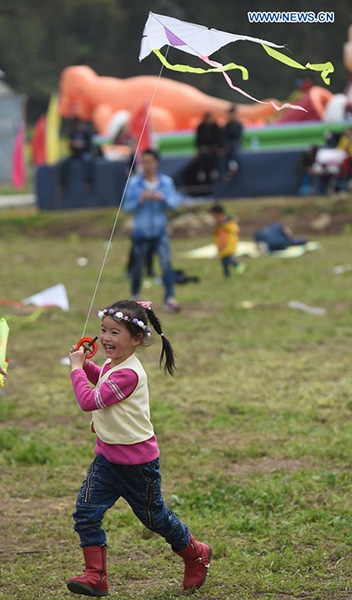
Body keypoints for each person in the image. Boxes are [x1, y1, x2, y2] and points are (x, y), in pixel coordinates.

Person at [67, 300, 211, 597]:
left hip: (138, 466)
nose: (106, 337)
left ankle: (196, 553)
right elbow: (103, 378)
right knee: (86, 512)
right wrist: (87, 365)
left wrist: (76, 370)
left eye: (115, 332)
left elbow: (89, 401)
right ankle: (96, 576)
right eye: (103, 330)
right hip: (107, 459)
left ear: (136, 340)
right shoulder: (113, 364)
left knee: (154, 518)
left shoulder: (129, 373)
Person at [124, 149, 180, 313]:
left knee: (166, 264)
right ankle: (135, 297)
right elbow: (127, 207)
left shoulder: (166, 182)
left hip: (160, 231)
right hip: (140, 232)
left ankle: (170, 297)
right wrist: (139, 200)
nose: (146, 165)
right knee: (137, 267)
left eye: (149, 161)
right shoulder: (134, 183)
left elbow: (175, 204)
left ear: (157, 162)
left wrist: (162, 198)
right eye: (144, 161)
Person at [210, 204, 246, 277]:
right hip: (231, 244)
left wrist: (221, 246)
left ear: (217, 214)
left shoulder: (222, 225)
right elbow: (237, 232)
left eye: (214, 215)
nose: (213, 217)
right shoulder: (231, 223)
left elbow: (222, 236)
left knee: (226, 260)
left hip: (226, 246)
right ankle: (228, 274)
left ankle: (238, 265)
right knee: (225, 261)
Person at [195, 112, 221, 185]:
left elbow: (218, 138)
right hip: (203, 147)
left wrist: (218, 147)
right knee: (201, 158)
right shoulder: (201, 127)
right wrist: (199, 148)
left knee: (214, 155)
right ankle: (201, 172)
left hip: (213, 147)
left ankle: (214, 170)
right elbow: (198, 139)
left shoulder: (215, 126)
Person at [221, 105, 243, 182]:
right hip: (228, 146)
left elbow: (238, 137)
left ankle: (232, 166)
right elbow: (224, 137)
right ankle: (232, 166)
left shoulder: (238, 125)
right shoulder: (227, 126)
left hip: (234, 145)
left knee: (232, 148)